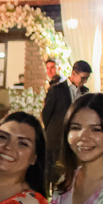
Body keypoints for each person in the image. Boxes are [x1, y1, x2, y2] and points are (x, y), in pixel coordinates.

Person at [40, 60, 91, 188]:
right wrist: (53, 131)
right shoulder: (57, 90)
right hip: (56, 139)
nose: (84, 81)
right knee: (52, 175)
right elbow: (46, 114)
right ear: (74, 73)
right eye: (83, 78)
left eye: (86, 78)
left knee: (70, 173)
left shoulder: (84, 92)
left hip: (75, 140)